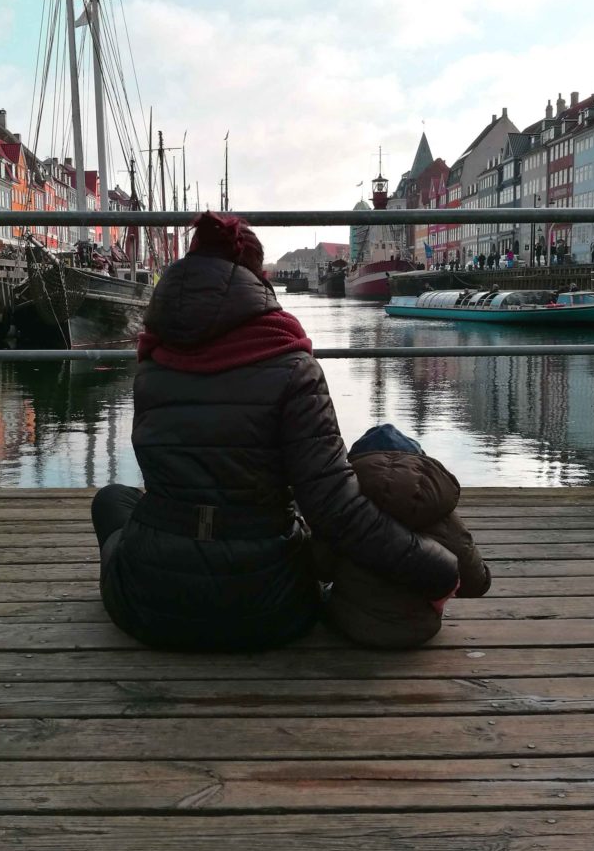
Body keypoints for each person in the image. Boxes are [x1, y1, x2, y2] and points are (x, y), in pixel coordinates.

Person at [89, 211, 458, 651]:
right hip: (268, 608)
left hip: (146, 607)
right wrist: (439, 570)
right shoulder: (292, 364)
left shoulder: (152, 360)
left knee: (111, 499)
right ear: (259, 278)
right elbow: (334, 508)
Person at [323, 425, 490, 648]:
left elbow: (319, 566)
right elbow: (476, 584)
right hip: (419, 630)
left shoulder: (345, 507)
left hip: (350, 625)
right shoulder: (442, 515)